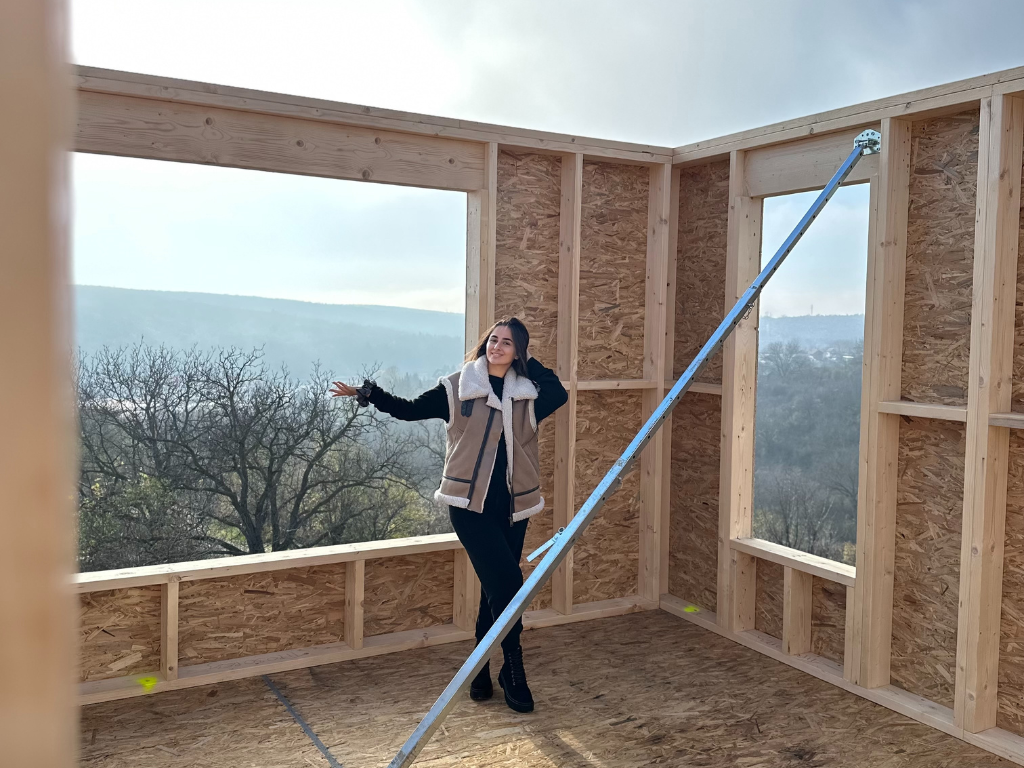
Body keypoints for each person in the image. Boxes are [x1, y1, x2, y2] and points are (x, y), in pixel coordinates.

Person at [330, 317, 567, 713]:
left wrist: (531, 361)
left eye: (508, 343)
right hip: (469, 509)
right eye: (494, 340)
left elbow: (558, 392)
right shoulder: (458, 388)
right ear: (484, 344)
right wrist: (367, 392)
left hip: (513, 507)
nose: (497, 347)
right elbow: (407, 411)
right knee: (510, 582)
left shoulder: (527, 393)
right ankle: (514, 668)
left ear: (518, 352)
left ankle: (479, 672)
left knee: (496, 591)